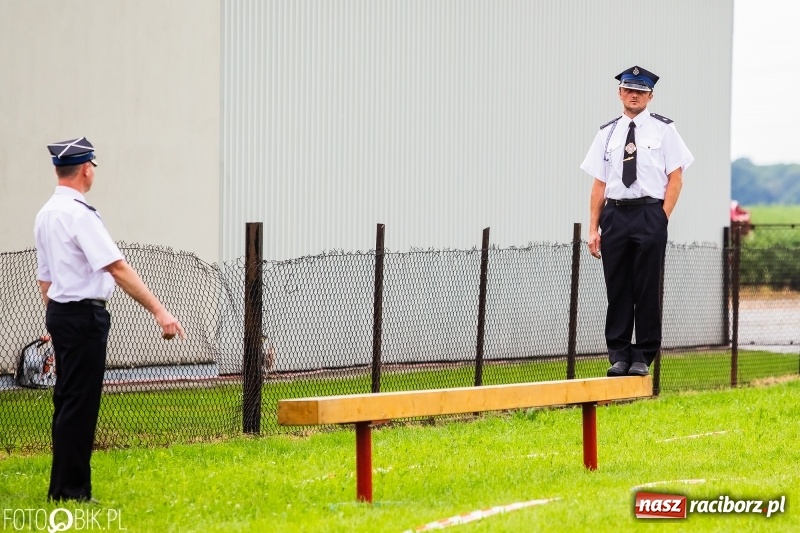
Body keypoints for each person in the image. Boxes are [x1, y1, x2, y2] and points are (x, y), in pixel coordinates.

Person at [34, 137, 186, 502]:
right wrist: (159, 311)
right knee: (80, 403)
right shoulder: (79, 214)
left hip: (60, 313)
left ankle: (63, 488)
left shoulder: (45, 214)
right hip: (84, 316)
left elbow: (45, 278)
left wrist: (54, 320)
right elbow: (116, 267)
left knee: (67, 401)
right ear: (87, 169)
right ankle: (72, 492)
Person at [580, 66, 694, 377]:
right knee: (617, 287)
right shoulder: (607, 133)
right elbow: (599, 184)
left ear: (650, 96)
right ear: (620, 93)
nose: (634, 95)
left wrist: (661, 217)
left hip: (649, 213)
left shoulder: (664, 130)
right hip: (615, 214)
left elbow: (676, 177)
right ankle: (618, 354)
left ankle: (643, 354)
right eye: (629, 89)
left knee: (646, 286)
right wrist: (593, 228)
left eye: (641, 91)